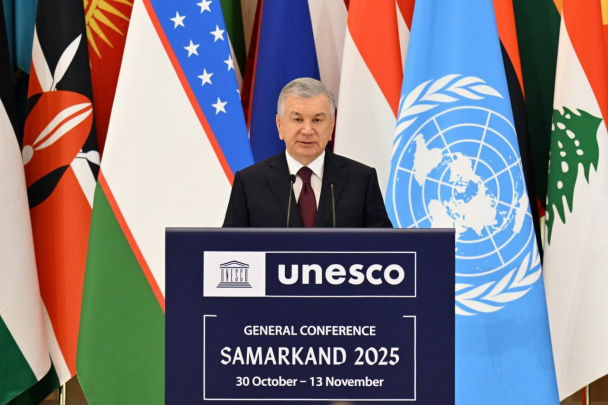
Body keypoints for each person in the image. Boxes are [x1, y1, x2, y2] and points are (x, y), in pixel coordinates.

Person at [223, 77, 392, 228]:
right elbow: (229, 247)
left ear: (331, 126)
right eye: (298, 119)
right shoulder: (249, 183)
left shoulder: (361, 180)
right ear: (279, 124)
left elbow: (385, 246)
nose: (307, 130)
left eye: (317, 120)